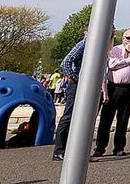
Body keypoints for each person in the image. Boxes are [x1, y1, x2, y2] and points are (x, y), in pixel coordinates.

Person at [94, 28, 130, 157]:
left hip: (128, 88)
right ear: (123, 38)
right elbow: (112, 64)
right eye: (128, 38)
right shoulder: (115, 50)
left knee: (123, 119)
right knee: (106, 119)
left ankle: (119, 147)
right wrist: (128, 61)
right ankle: (100, 147)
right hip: (113, 87)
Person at [52, 27, 88, 161]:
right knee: (69, 115)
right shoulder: (83, 44)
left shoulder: (95, 46)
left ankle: (73, 150)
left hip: (85, 84)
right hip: (76, 84)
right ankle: (59, 150)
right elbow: (66, 62)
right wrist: (76, 78)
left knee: (80, 117)